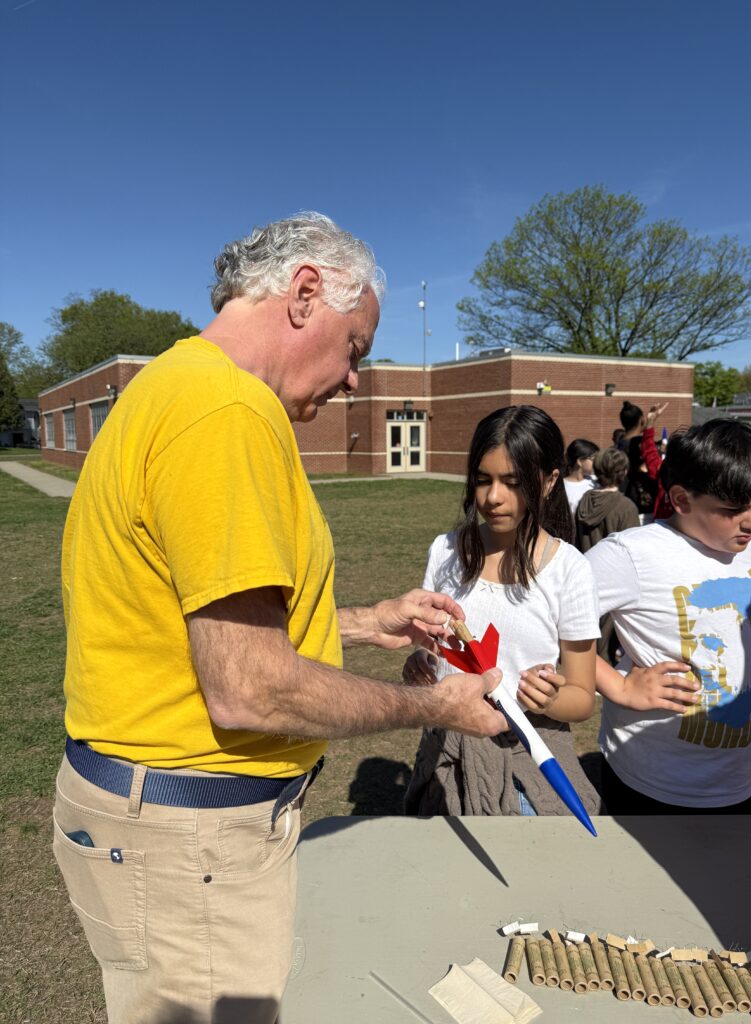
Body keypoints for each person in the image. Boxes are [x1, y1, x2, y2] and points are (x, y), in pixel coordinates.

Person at [53, 213, 508, 1024]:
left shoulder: (172, 386)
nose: (356, 380)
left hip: (150, 822)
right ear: (303, 295)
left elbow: (202, 623)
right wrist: (433, 707)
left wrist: (368, 621)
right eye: (355, 348)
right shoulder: (227, 410)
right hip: (190, 842)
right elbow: (250, 688)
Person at [402, 405, 601, 816]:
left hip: (526, 764)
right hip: (447, 755)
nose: (493, 497)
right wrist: (422, 662)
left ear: (549, 481)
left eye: (513, 482)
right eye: (482, 480)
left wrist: (548, 700)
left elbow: (582, 698)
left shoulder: (570, 569)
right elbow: (433, 646)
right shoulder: (444, 551)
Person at [586, 419, 751, 814]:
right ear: (682, 500)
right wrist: (618, 687)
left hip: (741, 781)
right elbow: (550, 618)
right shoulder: (630, 554)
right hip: (653, 784)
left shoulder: (750, 550)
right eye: (734, 509)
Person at [575, 447, 640, 663]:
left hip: (584, 574)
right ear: (623, 473)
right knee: (606, 646)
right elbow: (634, 554)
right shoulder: (626, 507)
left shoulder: (584, 501)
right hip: (616, 582)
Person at [563, 438, 599, 516]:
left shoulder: (596, 481)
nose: (597, 462)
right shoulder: (563, 487)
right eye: (593, 459)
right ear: (579, 461)